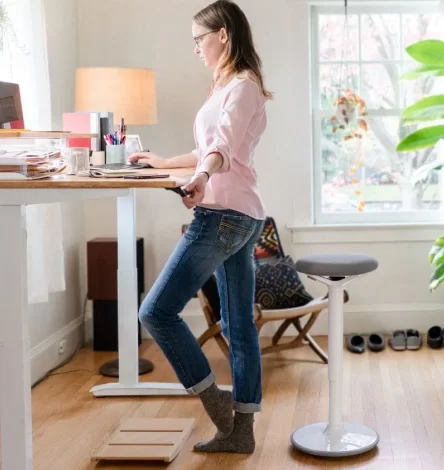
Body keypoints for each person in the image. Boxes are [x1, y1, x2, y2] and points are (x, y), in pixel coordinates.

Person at [128, 0, 271, 455]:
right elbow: (210, 147)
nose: (195, 49)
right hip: (242, 216)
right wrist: (165, 162)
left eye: (199, 39)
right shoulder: (227, 84)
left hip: (225, 216)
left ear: (223, 35)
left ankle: (221, 412)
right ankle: (241, 434)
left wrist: (203, 177)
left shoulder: (243, 87)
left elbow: (222, 149)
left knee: (155, 312)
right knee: (239, 327)